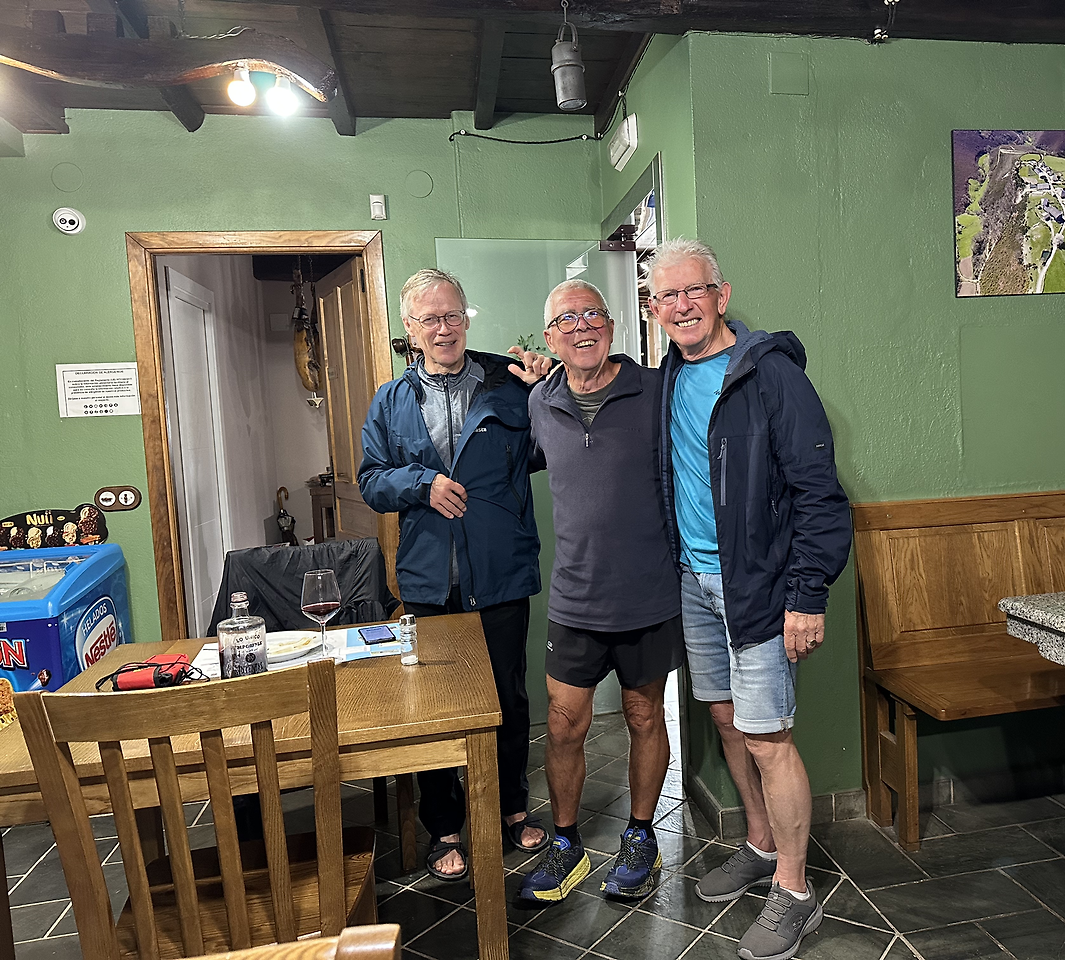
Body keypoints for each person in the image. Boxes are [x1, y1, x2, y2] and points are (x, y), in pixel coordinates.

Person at [648, 239, 852, 960]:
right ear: (654, 308)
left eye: (693, 291)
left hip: (760, 589)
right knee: (728, 721)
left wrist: (807, 595)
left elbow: (820, 493)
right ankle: (761, 845)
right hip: (694, 583)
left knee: (769, 738)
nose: (682, 306)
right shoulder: (668, 378)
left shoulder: (770, 374)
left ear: (721, 295)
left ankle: (794, 891)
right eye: (667, 296)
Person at [358, 268, 553, 882]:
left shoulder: (510, 382)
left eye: (452, 316)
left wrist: (549, 388)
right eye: (429, 319)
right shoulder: (390, 400)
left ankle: (511, 807)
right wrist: (421, 484)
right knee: (433, 707)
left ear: (466, 318)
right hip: (429, 580)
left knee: (508, 698)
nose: (443, 329)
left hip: (500, 572)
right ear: (409, 328)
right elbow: (370, 480)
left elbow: (548, 449)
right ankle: (443, 825)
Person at [517, 279, 683, 904]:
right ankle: (567, 844)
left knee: (644, 716)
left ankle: (641, 836)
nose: (582, 326)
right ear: (550, 337)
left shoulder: (656, 390)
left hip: (648, 593)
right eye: (567, 319)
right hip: (575, 598)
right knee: (563, 725)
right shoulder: (539, 402)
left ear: (612, 326)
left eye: (593, 314)